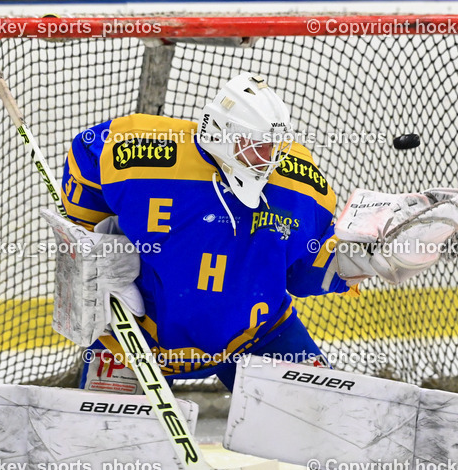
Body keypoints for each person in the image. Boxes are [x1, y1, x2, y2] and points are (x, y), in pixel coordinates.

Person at [62, 73, 347, 391]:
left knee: (320, 414)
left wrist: (352, 261)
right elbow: (86, 154)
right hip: (136, 336)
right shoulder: (144, 149)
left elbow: (303, 275)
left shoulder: (298, 182)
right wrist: (90, 237)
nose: (268, 160)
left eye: (274, 146)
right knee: (105, 424)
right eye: (256, 145)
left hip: (260, 335)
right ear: (220, 133)